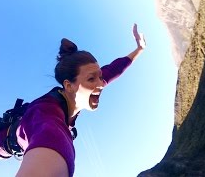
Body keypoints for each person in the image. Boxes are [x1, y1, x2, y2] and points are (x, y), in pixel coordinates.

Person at [15, 23, 146, 177]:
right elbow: (50, 136)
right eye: (91, 79)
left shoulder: (82, 87)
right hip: (6, 139)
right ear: (69, 85)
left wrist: (139, 49)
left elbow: (114, 68)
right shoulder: (46, 115)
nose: (101, 84)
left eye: (100, 76)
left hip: (25, 137)